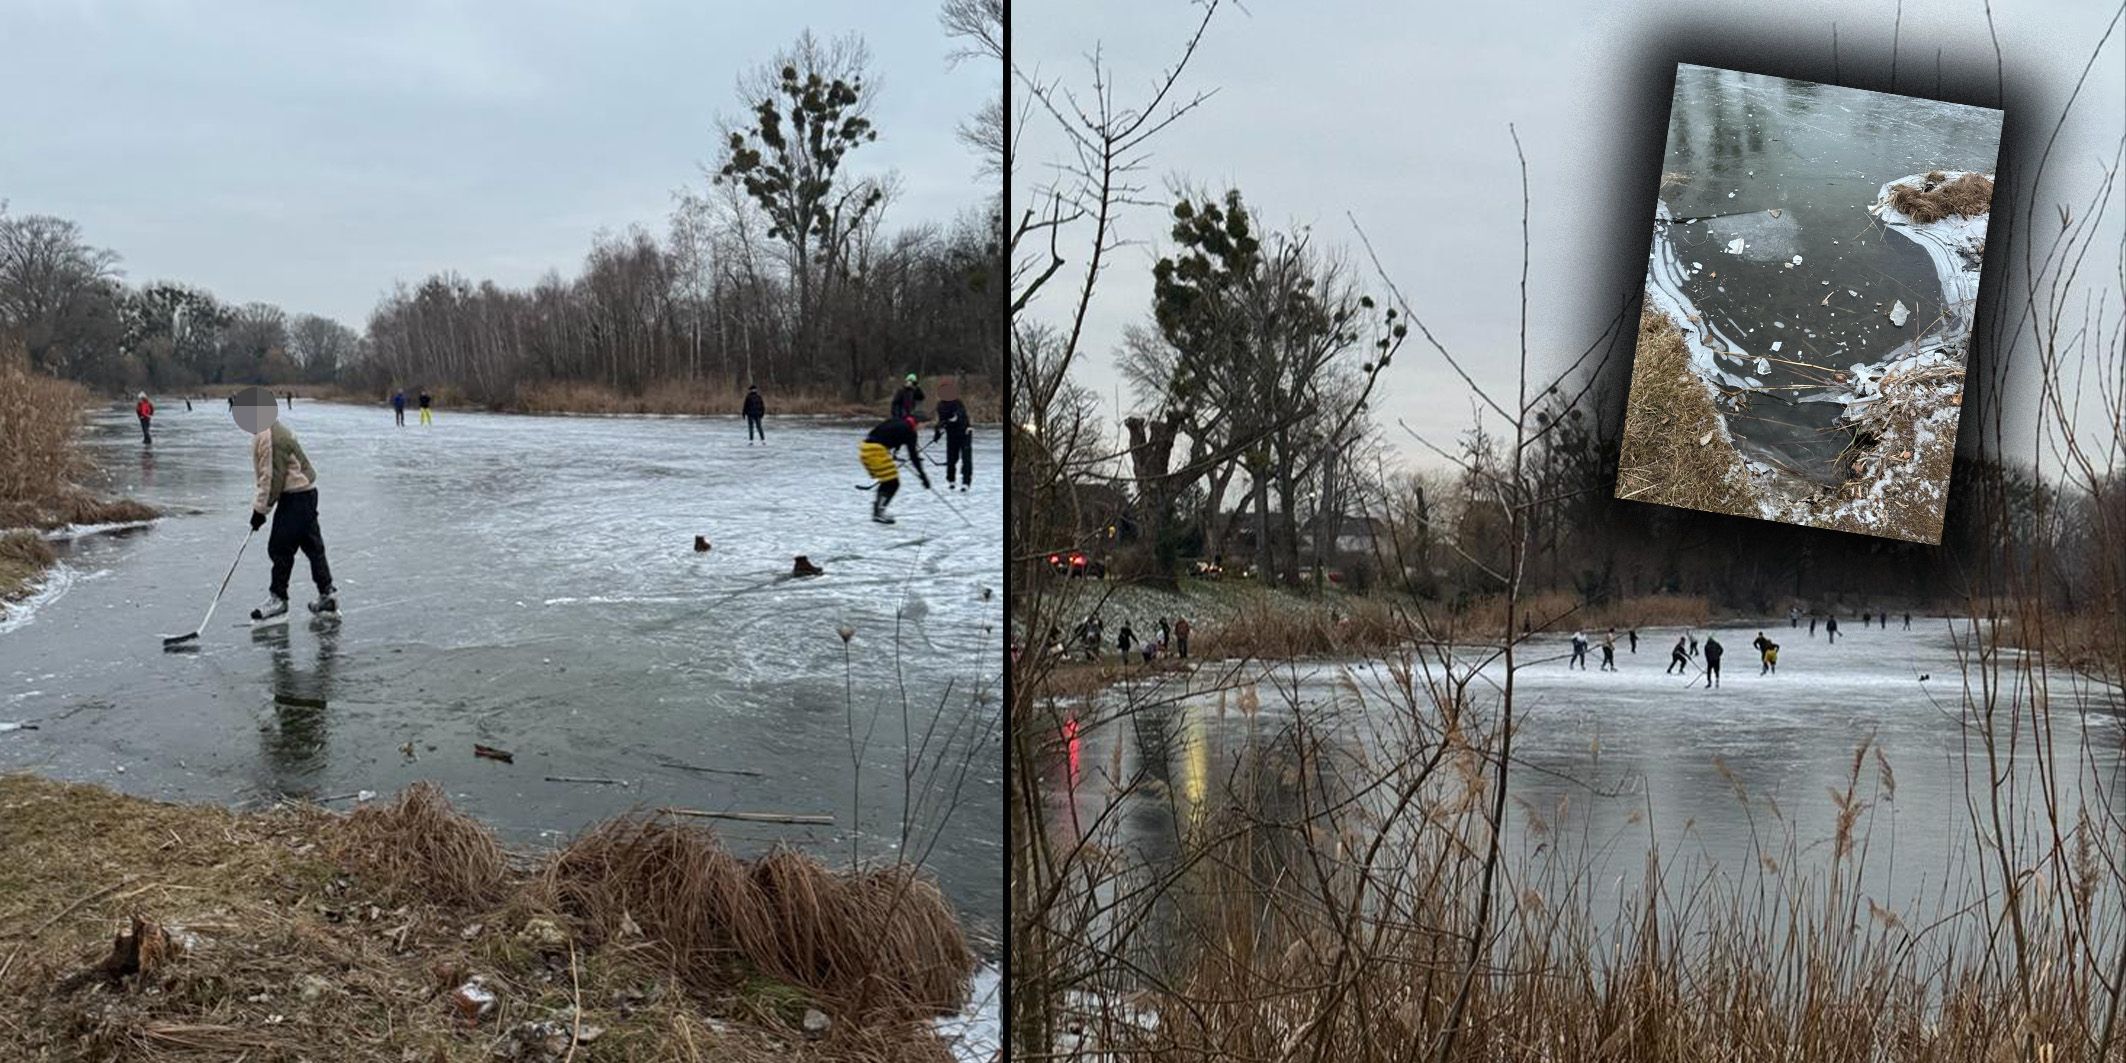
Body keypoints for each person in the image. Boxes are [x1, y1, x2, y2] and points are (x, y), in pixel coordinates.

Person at [248, 417, 336, 621]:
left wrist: (260, 511)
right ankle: (327, 594)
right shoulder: (273, 429)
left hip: (295, 497)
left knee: (280, 548)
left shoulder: (269, 435)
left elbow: (272, 478)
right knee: (313, 546)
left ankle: (278, 598)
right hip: (306, 492)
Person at [858, 410, 932, 524]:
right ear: (919, 422)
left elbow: (880, 432)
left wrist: (889, 447)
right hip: (875, 452)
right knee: (892, 483)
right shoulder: (909, 431)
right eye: (924, 426)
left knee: (888, 482)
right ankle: (878, 513)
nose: (923, 429)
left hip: (866, 448)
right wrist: (923, 476)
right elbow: (913, 456)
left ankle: (878, 511)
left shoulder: (898, 421)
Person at [932, 377, 973, 490]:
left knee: (966, 458)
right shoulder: (940, 405)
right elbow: (941, 420)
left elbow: (959, 416)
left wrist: (952, 420)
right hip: (952, 434)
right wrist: (937, 432)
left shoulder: (957, 402)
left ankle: (966, 482)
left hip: (965, 433)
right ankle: (951, 480)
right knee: (951, 458)